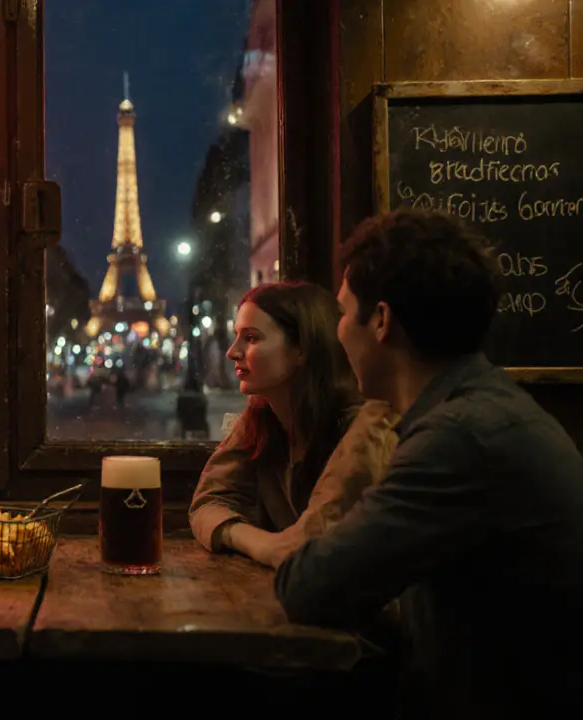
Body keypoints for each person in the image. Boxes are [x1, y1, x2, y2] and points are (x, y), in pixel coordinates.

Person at [274, 209, 583, 717]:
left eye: (343, 313)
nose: (336, 332)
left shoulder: (457, 439)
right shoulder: (484, 409)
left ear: (381, 321)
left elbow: (309, 586)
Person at [189, 281, 397, 569]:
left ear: (302, 349)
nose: (232, 352)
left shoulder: (359, 429)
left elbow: (312, 543)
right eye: (237, 336)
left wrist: (254, 541)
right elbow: (207, 502)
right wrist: (261, 544)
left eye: (251, 338)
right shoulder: (261, 417)